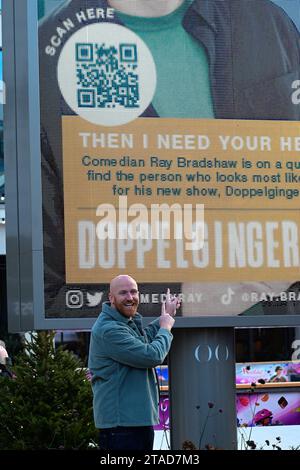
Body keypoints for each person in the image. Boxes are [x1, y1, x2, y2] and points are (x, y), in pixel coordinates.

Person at [39, 0, 300, 318]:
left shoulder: (265, 20)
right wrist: (186, 299)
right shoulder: (45, 55)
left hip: (282, 340)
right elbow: (46, 297)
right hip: (144, 357)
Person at [88, 275, 180, 451]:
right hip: (122, 428)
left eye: (133, 292)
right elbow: (151, 355)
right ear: (111, 298)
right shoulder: (109, 330)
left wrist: (165, 316)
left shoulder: (122, 324)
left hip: (133, 424)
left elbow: (143, 341)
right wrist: (166, 328)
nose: (130, 297)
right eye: (123, 293)